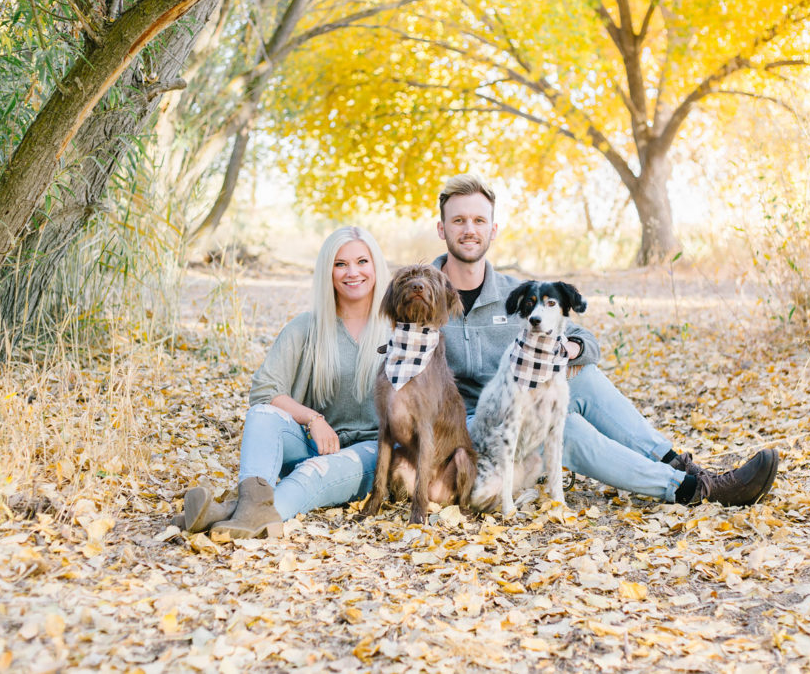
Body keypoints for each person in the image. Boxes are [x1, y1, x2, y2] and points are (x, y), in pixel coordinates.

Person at [431, 174, 778, 507]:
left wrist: (566, 351)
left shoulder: (518, 293)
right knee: (561, 423)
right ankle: (689, 490)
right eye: (459, 220)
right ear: (441, 228)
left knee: (584, 375)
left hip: (530, 399)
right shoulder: (421, 298)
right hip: (476, 427)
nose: (469, 230)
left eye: (479, 220)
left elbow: (588, 342)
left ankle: (680, 465)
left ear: (493, 229)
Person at [178, 226, 391, 538]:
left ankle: (224, 515)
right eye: (340, 264)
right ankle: (247, 510)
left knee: (312, 473)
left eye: (362, 261)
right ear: (327, 272)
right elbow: (265, 391)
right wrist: (312, 419)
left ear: (376, 267)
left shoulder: (399, 329)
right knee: (262, 415)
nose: (352, 272)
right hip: (316, 443)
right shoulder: (306, 328)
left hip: (373, 453)